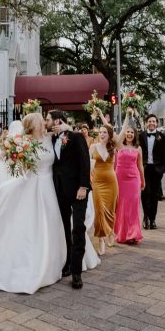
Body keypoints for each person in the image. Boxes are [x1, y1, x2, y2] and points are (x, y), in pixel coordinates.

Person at [0, 113, 98, 293]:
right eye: (42, 122)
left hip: (52, 187)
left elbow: (71, 139)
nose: (45, 123)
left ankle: (67, 262)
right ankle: (36, 263)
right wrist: (10, 155)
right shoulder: (23, 142)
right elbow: (5, 156)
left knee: (58, 223)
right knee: (33, 225)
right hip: (33, 186)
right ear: (34, 126)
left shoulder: (52, 137)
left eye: (45, 121)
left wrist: (67, 127)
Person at [46, 109, 92, 289]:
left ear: (57, 120)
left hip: (78, 190)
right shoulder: (51, 138)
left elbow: (84, 162)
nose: (46, 121)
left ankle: (77, 272)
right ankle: (67, 263)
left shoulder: (76, 137)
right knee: (64, 228)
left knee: (78, 228)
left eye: (48, 119)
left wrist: (83, 186)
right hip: (60, 191)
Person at [113, 114, 145, 244]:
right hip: (120, 179)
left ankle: (132, 234)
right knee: (121, 206)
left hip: (134, 179)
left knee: (133, 205)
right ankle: (122, 233)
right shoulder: (119, 146)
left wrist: (143, 180)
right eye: (128, 132)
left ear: (135, 134)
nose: (130, 134)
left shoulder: (138, 148)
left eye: (132, 132)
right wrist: (126, 115)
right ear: (124, 134)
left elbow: (140, 166)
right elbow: (113, 131)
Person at [90, 113, 120, 255]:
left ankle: (111, 231)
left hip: (111, 183)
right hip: (97, 182)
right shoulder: (93, 147)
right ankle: (101, 239)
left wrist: (101, 115)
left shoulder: (113, 147)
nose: (101, 134)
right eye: (100, 132)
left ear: (109, 134)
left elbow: (115, 134)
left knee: (110, 209)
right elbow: (88, 166)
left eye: (104, 132)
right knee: (99, 211)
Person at [139, 114, 165, 230]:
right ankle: (145, 217)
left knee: (154, 195)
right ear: (146, 123)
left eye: (154, 121)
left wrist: (163, 169)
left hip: (157, 170)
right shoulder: (141, 136)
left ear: (156, 123)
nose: (152, 123)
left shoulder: (162, 136)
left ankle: (153, 219)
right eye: (149, 121)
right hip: (144, 169)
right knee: (145, 193)